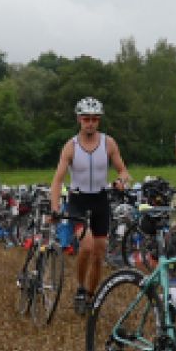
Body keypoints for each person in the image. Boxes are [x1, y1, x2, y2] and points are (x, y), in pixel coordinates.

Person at [48, 97, 131, 314]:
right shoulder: (71, 146)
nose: (90, 123)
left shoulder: (109, 143)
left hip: (100, 200)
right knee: (86, 246)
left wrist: (122, 181)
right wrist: (55, 207)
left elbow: (123, 170)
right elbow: (57, 180)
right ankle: (80, 287)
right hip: (78, 201)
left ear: (99, 121)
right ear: (79, 119)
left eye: (94, 119)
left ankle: (91, 295)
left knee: (100, 251)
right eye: (86, 119)